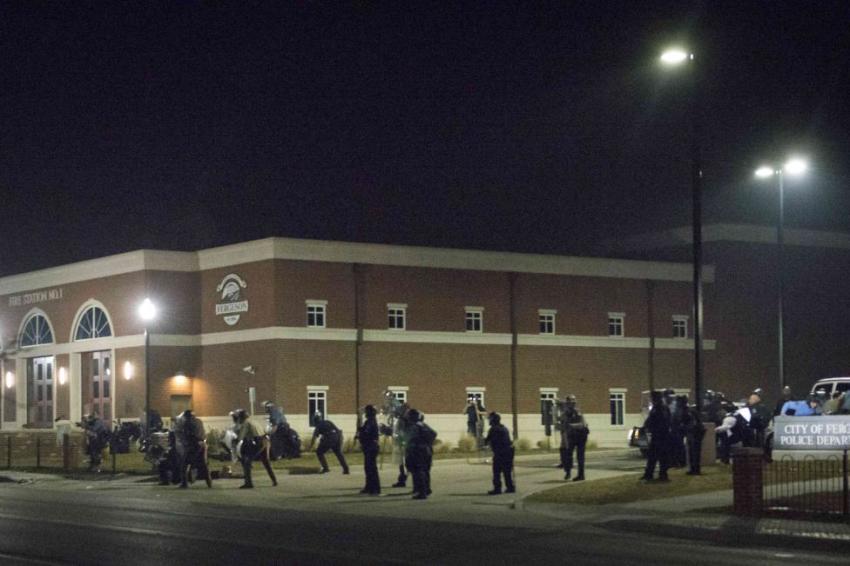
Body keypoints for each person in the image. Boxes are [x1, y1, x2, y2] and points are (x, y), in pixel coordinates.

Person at [233, 408, 277, 488]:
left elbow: (240, 437)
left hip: (257, 441)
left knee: (246, 461)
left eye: (239, 417)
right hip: (265, 440)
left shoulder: (245, 423)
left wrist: (234, 440)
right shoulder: (253, 421)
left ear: (241, 417)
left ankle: (248, 483)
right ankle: (274, 480)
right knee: (266, 462)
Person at [173, 409, 212, 488]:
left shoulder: (187, 423)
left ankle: (184, 483)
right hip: (202, 444)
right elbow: (202, 433)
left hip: (193, 445)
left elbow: (189, 435)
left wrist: (186, 442)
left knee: (184, 464)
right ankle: (209, 482)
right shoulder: (199, 421)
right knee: (203, 464)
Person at [405, 409, 437, 499]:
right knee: (425, 470)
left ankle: (421, 492)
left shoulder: (414, 426)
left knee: (418, 471)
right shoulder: (423, 424)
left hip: (418, 451)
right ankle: (426, 489)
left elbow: (411, 439)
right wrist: (428, 442)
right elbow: (434, 433)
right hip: (427, 450)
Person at [641, 391, 671, 481]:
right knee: (653, 456)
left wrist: (649, 426)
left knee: (660, 457)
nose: (652, 400)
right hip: (657, 435)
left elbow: (659, 421)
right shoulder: (657, 408)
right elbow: (650, 420)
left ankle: (662, 475)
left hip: (661, 436)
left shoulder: (661, 408)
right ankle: (649, 474)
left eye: (653, 398)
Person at [484, 412, 515, 494]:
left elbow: (487, 441)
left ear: (493, 420)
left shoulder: (494, 429)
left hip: (500, 453)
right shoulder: (504, 428)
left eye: (490, 419)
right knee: (507, 471)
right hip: (508, 452)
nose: (488, 421)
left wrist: (483, 440)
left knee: (496, 472)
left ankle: (497, 489)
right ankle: (510, 487)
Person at [561, 395, 589, 481]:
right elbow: (564, 427)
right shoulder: (565, 413)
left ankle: (581, 475)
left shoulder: (577, 412)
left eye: (573, 401)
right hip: (572, 436)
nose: (572, 403)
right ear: (567, 403)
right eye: (570, 401)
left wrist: (572, 426)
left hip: (580, 435)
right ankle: (568, 472)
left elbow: (583, 424)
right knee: (568, 454)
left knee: (579, 456)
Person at [357, 405, 381, 495]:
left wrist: (361, 435)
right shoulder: (369, 421)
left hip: (371, 446)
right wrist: (359, 419)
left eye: (366, 411)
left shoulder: (371, 422)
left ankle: (375, 488)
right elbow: (361, 429)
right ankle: (369, 486)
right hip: (369, 446)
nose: (365, 413)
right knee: (368, 468)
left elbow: (366, 433)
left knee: (371, 468)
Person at [681, 397, 705, 475]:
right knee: (693, 452)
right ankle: (694, 469)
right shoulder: (689, 410)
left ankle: (695, 469)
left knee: (694, 452)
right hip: (693, 432)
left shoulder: (688, 411)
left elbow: (693, 423)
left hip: (694, 433)